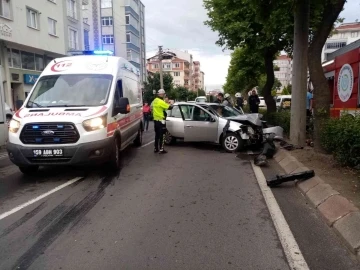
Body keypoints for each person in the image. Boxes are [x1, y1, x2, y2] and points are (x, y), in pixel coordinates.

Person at [152, 89, 173, 154]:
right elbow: (169, 107)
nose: (164, 95)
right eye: (164, 94)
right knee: (162, 135)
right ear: (161, 94)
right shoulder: (161, 102)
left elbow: (156, 107)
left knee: (157, 135)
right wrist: (171, 103)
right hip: (161, 120)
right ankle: (161, 149)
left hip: (155, 120)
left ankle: (156, 148)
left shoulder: (155, 100)